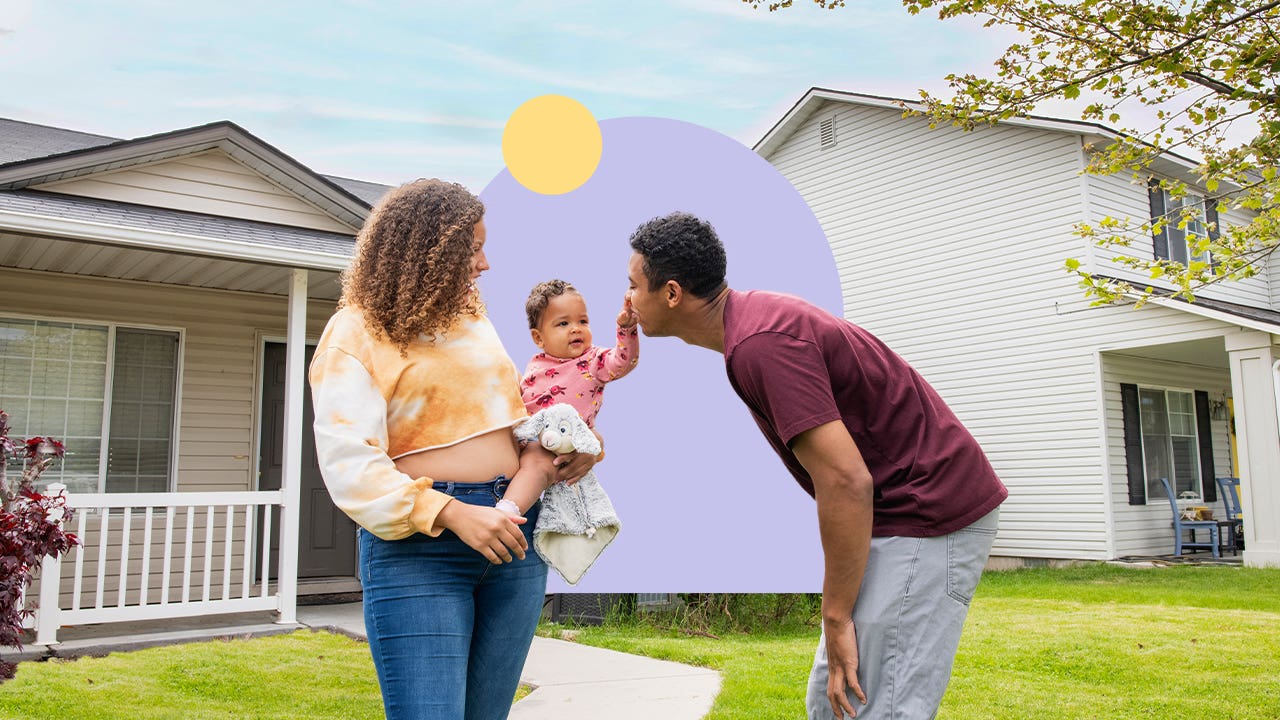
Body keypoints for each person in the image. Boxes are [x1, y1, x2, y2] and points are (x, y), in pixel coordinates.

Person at [624, 212, 1008, 720]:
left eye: (632, 286)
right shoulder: (752, 327)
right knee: (834, 703)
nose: (627, 299)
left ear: (671, 293)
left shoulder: (762, 343)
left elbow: (846, 480)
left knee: (879, 706)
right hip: (894, 512)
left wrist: (836, 614)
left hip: (927, 513)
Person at [308, 179, 595, 720]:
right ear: (426, 252)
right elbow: (349, 462)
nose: (485, 263)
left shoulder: (473, 324)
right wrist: (454, 513)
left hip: (513, 539)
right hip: (422, 549)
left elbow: (510, 418)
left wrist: (565, 451)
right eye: (472, 249)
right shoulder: (356, 331)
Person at [494, 278, 639, 517]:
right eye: (563, 323)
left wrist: (626, 330)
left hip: (557, 442)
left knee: (537, 467)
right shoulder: (536, 363)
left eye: (583, 321)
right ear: (539, 338)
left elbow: (624, 362)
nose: (576, 328)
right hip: (525, 435)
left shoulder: (594, 361)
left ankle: (507, 511)